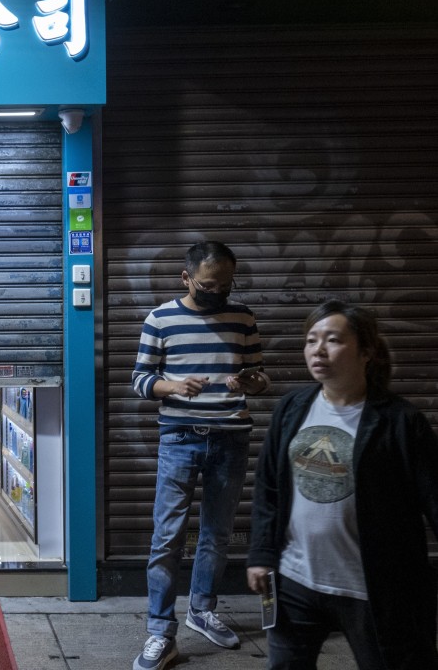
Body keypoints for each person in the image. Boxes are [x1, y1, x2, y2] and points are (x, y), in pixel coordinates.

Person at [247, 300, 438, 668]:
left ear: (366, 351)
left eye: (332, 340)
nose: (317, 350)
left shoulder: (400, 422)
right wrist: (261, 554)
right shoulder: (292, 408)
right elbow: (269, 487)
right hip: (295, 580)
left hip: (371, 589)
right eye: (311, 340)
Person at [132, 240, 270, 670]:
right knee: (167, 537)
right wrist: (173, 386)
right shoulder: (160, 319)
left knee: (217, 533)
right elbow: (139, 379)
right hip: (179, 436)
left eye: (227, 284)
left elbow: (260, 376)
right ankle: (160, 631)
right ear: (186, 278)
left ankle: (202, 610)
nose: (219, 292)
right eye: (211, 285)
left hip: (232, 437)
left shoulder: (243, 317)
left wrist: (250, 383)